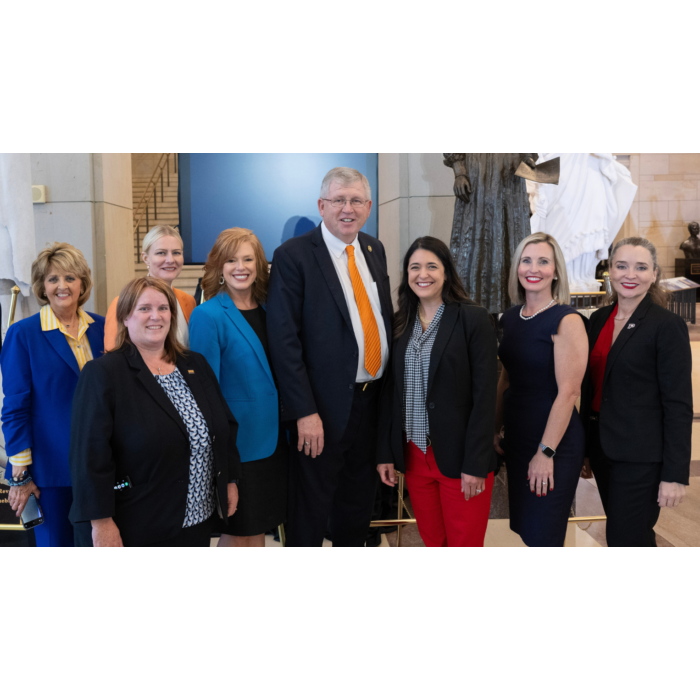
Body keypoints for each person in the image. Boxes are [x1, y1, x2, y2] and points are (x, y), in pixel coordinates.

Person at [267, 167, 393, 547]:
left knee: (356, 510)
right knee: (310, 513)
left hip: (371, 402)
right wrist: (304, 412)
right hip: (320, 412)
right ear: (322, 206)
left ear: (368, 207)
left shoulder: (374, 249)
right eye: (338, 200)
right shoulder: (294, 255)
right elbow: (284, 341)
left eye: (355, 200)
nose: (347, 208)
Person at [69, 277, 240, 547]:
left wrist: (229, 480)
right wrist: (101, 521)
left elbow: (224, 425)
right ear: (125, 317)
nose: (155, 316)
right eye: (144, 308)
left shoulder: (195, 364)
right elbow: (88, 456)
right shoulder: (104, 373)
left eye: (163, 308)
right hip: (136, 521)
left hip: (196, 521)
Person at [376, 237, 497, 547]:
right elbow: (391, 393)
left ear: (447, 272)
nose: (422, 274)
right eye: (414, 267)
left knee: (464, 542)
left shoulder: (473, 318)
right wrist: (386, 453)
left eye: (432, 266)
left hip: (461, 457)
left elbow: (486, 397)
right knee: (433, 540)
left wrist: (476, 463)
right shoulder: (400, 322)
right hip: (415, 457)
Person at [581, 238, 692, 547]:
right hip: (603, 448)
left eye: (641, 267)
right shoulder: (599, 320)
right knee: (629, 536)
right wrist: (586, 448)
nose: (630, 275)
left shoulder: (666, 326)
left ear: (654, 274)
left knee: (625, 537)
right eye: (622, 266)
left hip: (642, 456)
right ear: (610, 272)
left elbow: (679, 405)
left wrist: (675, 474)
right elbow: (591, 388)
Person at [1, 243, 105, 547]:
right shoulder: (23, 334)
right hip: (50, 471)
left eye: (71, 278)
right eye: (53, 279)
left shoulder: (102, 328)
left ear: (83, 283)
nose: (63, 286)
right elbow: (15, 407)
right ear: (42, 287)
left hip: (100, 465)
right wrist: (20, 475)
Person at [190, 228, 287, 548]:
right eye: (231, 260)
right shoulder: (207, 315)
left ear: (259, 264)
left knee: (255, 528)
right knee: (238, 531)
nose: (240, 267)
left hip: (274, 442)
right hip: (238, 446)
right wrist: (221, 455)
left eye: (248, 259)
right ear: (219, 266)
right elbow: (206, 391)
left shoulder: (273, 309)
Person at [495, 233, 588, 547]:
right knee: (527, 531)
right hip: (518, 439)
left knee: (544, 534)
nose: (533, 268)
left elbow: (569, 392)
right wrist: (496, 429)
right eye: (526, 260)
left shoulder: (566, 320)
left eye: (543, 261)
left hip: (553, 444)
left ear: (556, 271)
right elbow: (505, 378)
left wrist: (545, 452)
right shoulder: (509, 318)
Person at [443, 152, 538, 314]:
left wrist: (528, 158)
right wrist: (460, 172)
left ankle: (513, 316)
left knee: (511, 243)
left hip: (511, 177)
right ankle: (474, 315)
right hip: (476, 178)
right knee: (474, 245)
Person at [104, 225, 195, 350]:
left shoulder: (188, 301)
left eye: (176, 253)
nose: (170, 259)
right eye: (161, 253)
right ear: (146, 258)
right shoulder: (123, 303)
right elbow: (112, 358)